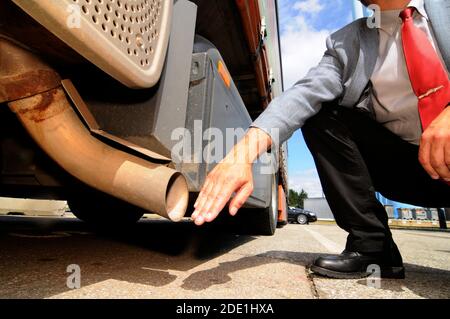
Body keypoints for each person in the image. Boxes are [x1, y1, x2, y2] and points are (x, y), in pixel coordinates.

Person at [191, 0, 450, 279]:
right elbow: (304, 95)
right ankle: (374, 248)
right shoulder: (347, 43)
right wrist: (241, 155)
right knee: (320, 112)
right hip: (411, 171)